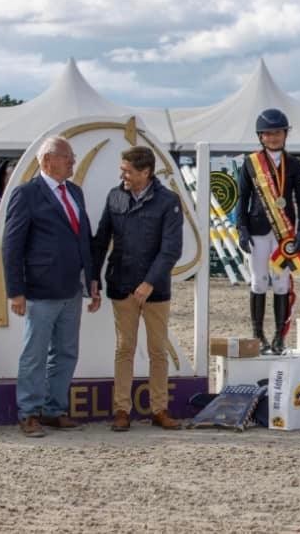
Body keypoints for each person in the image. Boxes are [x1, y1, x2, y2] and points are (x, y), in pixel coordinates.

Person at [3, 136, 100, 437]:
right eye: (68, 157)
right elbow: (12, 246)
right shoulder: (26, 194)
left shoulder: (74, 191)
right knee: (34, 353)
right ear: (47, 160)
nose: (73, 161)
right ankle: (28, 413)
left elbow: (84, 238)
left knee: (66, 352)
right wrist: (15, 291)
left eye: (72, 157)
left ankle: (54, 410)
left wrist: (93, 280)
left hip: (72, 288)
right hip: (40, 290)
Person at [92, 146, 183, 432]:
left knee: (157, 351)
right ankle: (122, 410)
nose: (123, 175)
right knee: (124, 349)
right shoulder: (114, 196)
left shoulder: (169, 201)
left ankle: (160, 410)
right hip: (120, 285)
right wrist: (93, 279)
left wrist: (149, 282)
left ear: (146, 172)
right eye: (123, 170)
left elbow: (171, 250)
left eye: (128, 171)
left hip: (155, 290)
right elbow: (101, 240)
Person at [236, 108, 300, 354]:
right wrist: (241, 228)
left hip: (283, 233)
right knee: (258, 281)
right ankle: (258, 333)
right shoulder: (250, 163)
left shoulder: (295, 165)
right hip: (257, 228)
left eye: (278, 132)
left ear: (285, 134)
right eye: (268, 133)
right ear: (261, 136)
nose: (273, 137)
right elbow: (242, 198)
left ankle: (279, 336)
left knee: (280, 284)